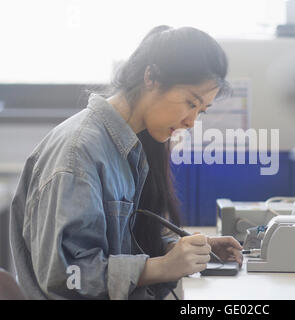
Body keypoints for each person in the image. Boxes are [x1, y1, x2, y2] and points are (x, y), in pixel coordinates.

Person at [9, 25, 243, 300]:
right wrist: (160, 267)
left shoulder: (132, 145)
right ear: (151, 77)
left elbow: (127, 239)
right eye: (191, 103)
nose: (191, 122)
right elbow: (68, 278)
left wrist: (181, 248)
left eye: (200, 111)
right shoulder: (78, 155)